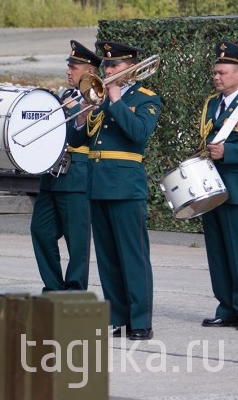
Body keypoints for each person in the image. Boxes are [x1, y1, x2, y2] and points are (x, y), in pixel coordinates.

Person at [71, 41, 160, 341]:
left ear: (131, 68)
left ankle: (141, 321)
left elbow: (138, 134)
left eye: (115, 66)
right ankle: (119, 318)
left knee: (132, 256)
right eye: (107, 66)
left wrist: (117, 100)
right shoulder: (99, 98)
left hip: (125, 186)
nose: (108, 70)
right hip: (97, 184)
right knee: (107, 257)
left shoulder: (146, 98)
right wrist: (84, 112)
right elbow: (79, 139)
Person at [29, 40, 100, 292]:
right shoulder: (66, 95)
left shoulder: (97, 97)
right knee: (41, 230)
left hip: (77, 174)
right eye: (68, 66)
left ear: (90, 71)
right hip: (52, 175)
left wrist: (80, 112)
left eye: (74, 67)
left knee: (77, 241)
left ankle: (74, 288)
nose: (68, 71)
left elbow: (87, 136)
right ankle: (53, 286)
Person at [199, 41, 238, 329]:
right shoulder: (212, 104)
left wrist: (231, 152)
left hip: (237, 188)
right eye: (215, 72)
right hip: (210, 186)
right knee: (217, 252)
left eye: (223, 72)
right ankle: (226, 308)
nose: (217, 77)